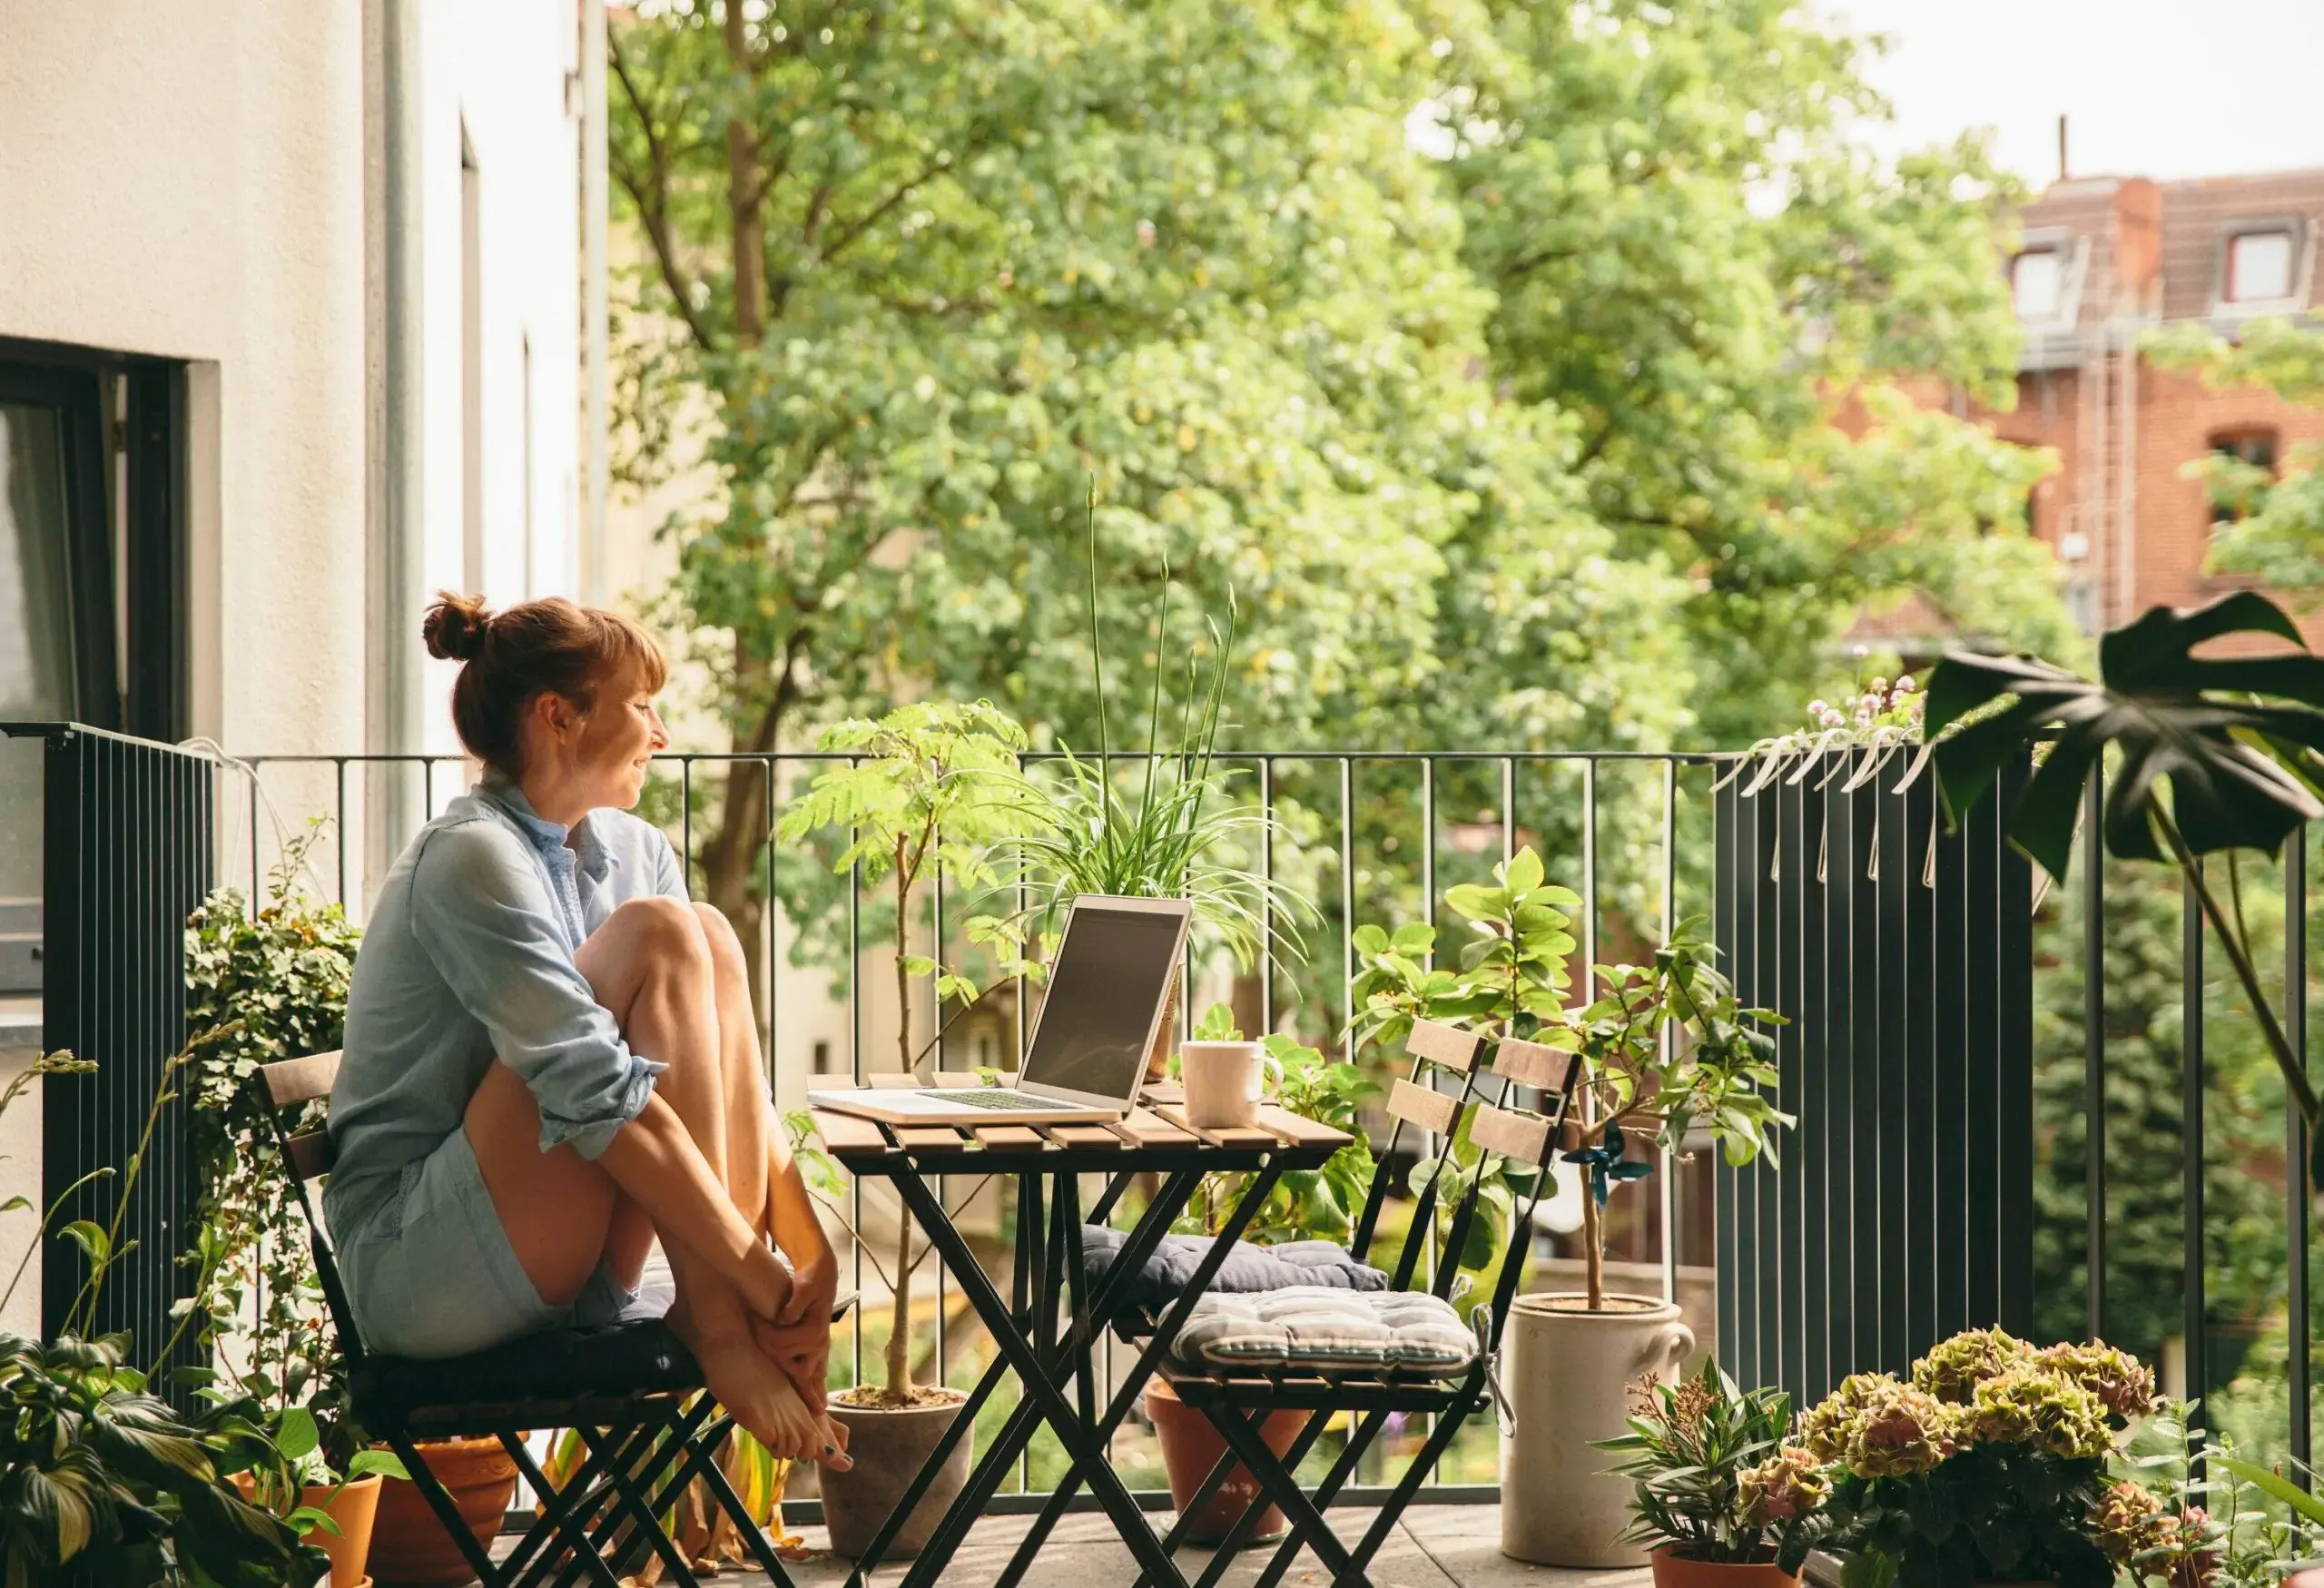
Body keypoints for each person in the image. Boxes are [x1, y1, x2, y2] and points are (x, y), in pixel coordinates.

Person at [323, 591, 849, 1468]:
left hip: (554, 1246)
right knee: (664, 934)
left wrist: (807, 1253)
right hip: (422, 1269)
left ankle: (721, 1314)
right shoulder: (470, 858)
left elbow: (718, 1078)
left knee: (706, 932)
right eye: (642, 705)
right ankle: (716, 1325)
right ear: (558, 716)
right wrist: (757, 1287)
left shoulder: (634, 851)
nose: (662, 732)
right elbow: (597, 1095)